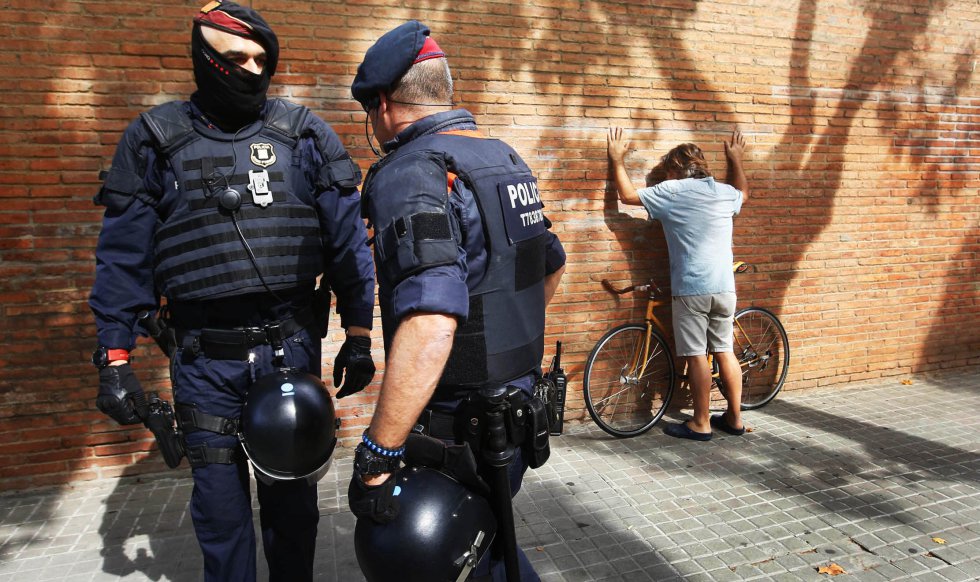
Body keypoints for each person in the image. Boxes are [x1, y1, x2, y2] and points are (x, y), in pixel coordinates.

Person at [88, 2, 377, 580]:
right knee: (220, 516)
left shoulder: (304, 136)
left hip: (288, 351)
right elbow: (123, 260)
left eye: (261, 59)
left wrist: (360, 333)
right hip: (202, 360)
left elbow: (348, 245)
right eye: (236, 57)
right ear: (203, 58)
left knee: (292, 512)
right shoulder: (154, 141)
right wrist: (114, 357)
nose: (251, 68)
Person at [346, 20, 566, 581]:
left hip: (453, 427)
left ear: (383, 104)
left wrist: (379, 450)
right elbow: (552, 264)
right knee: (490, 548)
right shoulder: (501, 158)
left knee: (449, 560)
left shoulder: (412, 171)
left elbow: (431, 317)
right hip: (516, 412)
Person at [606, 127, 749, 441]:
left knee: (696, 354)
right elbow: (744, 194)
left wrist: (617, 159)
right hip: (725, 287)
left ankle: (700, 423)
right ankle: (735, 419)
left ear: (674, 169)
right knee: (724, 351)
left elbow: (627, 197)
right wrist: (736, 160)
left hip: (693, 288)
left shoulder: (671, 190)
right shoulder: (723, 192)